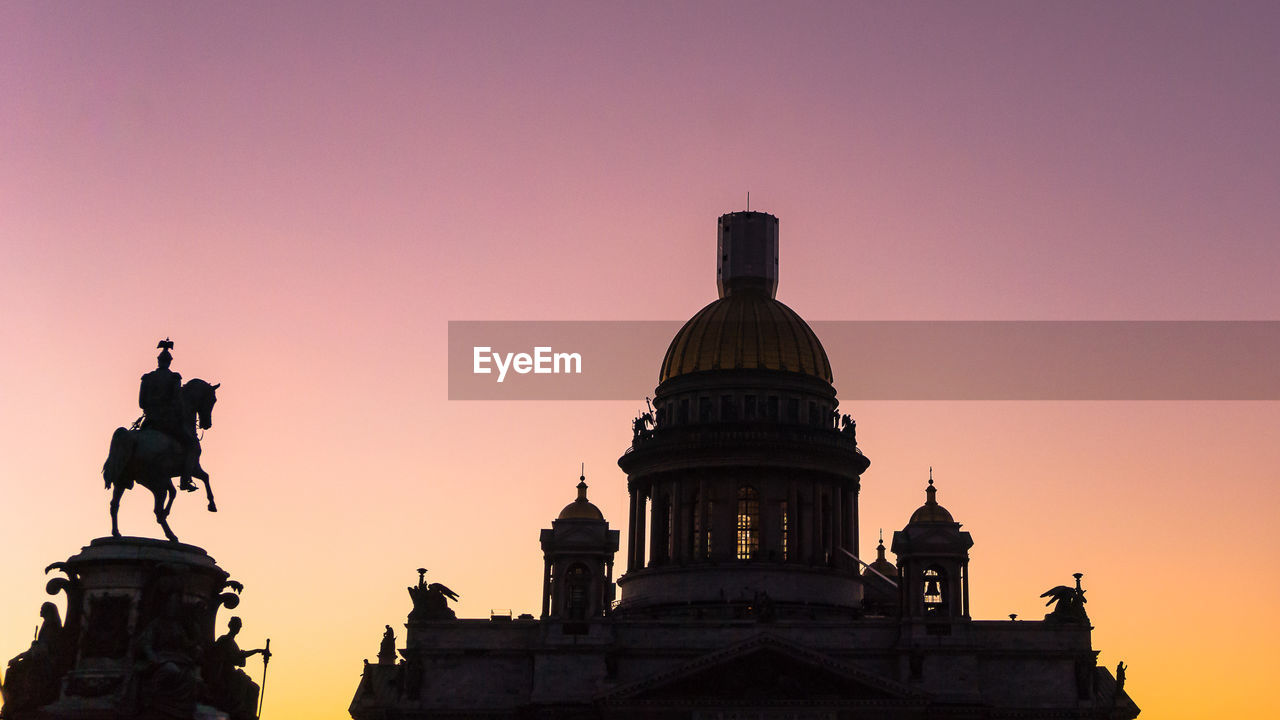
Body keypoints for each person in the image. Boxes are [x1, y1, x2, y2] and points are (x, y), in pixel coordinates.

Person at [139, 339, 197, 491]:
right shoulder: (174, 378)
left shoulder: (147, 378)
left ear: (158, 361)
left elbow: (141, 403)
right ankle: (185, 480)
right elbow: (177, 401)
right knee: (191, 444)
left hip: (149, 421)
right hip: (167, 421)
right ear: (169, 362)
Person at [205, 617, 270, 720]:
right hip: (226, 673)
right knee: (253, 688)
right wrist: (256, 651)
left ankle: (249, 714)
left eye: (239, 627)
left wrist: (257, 651)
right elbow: (236, 658)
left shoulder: (231, 641)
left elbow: (239, 657)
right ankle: (245, 713)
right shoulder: (225, 640)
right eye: (237, 626)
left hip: (232, 672)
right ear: (232, 626)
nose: (238, 629)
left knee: (254, 687)